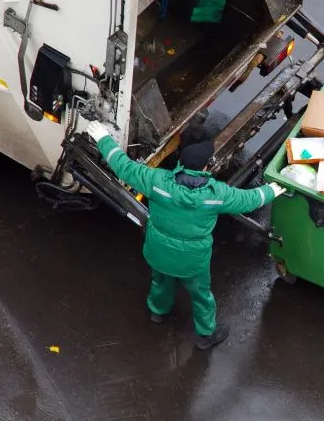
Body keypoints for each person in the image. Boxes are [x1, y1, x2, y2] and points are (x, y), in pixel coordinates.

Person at [85, 121, 286, 350]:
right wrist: (271, 191)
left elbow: (123, 167)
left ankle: (158, 312)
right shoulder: (216, 194)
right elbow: (248, 199)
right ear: (204, 168)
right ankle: (205, 335)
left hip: (158, 251)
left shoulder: (157, 182)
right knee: (201, 295)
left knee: (160, 280)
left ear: (180, 162)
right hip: (193, 261)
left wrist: (103, 138)